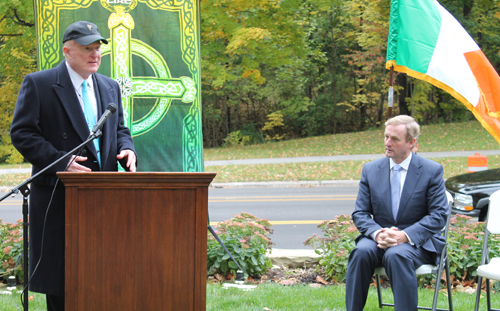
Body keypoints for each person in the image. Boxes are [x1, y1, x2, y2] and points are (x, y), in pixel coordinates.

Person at [10, 21, 137, 311]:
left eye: (97, 49)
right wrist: (61, 161)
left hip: (103, 197)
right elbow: (23, 133)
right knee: (63, 281)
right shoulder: (39, 83)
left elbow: (119, 130)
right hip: (59, 197)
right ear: (67, 51)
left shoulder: (109, 86)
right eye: (86, 49)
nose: (95, 55)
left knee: (102, 277)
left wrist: (127, 149)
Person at [345, 115, 447, 311]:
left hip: (419, 241)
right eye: (386, 137)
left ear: (412, 143)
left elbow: (438, 216)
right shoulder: (371, 170)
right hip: (380, 237)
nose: (387, 143)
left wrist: (404, 236)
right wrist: (378, 233)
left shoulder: (431, 170)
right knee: (361, 252)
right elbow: (360, 213)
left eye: (394, 139)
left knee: (396, 255)